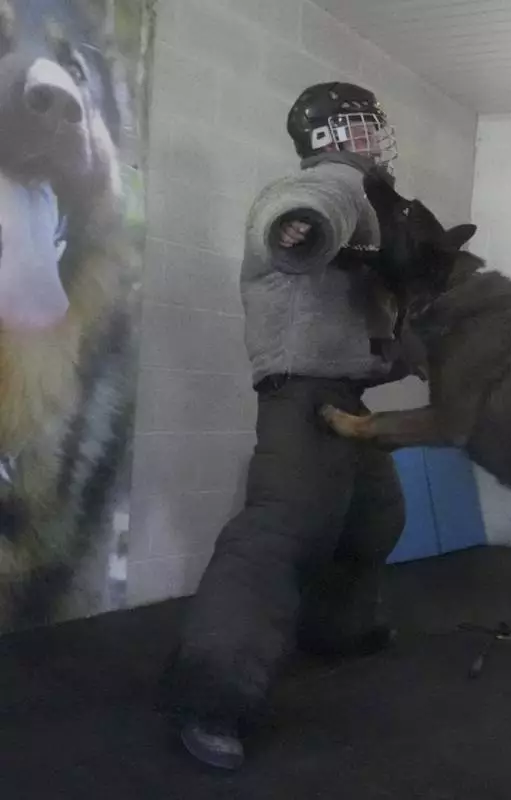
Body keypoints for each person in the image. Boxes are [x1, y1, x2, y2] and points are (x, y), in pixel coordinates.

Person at [156, 82, 413, 770]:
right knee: (279, 534)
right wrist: (301, 227)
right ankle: (210, 696)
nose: (375, 140)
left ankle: (335, 629)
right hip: (303, 397)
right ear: (331, 138)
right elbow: (299, 210)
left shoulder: (375, 202)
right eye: (363, 127)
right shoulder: (331, 184)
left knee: (375, 517)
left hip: (346, 396)